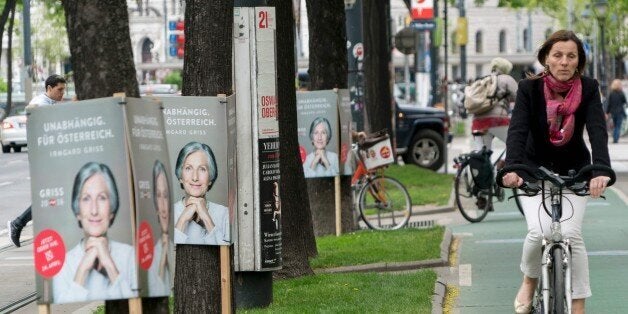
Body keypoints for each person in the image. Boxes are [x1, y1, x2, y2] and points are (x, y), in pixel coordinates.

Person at [501, 30, 612, 314]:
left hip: (575, 172)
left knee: (572, 236)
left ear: (579, 61)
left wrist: (600, 170)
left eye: (571, 56)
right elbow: (517, 130)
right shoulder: (529, 89)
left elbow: (598, 131)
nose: (564, 61)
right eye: (558, 55)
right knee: (539, 233)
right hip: (532, 170)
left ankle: (578, 306)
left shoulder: (588, 88)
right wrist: (512, 168)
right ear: (546, 59)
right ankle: (529, 280)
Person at [53, 162, 137, 303]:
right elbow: (62, 309)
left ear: (112, 209)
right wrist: (82, 271)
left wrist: (110, 265)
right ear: (77, 210)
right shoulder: (63, 264)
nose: (94, 210)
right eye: (86, 199)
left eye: (102, 198)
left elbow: (136, 306)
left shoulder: (130, 256)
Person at [7, 74, 67, 247]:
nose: (62, 93)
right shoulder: (40, 103)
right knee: (50, 197)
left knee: (53, 196)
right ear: (49, 88)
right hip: (43, 160)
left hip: (49, 158)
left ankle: (25, 225)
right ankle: (18, 223)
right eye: (59, 90)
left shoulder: (51, 103)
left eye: (64, 90)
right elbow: (31, 109)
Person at [174, 141, 230, 245]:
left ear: (210, 178)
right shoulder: (167, 214)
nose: (195, 177)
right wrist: (182, 220)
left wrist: (206, 218)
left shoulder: (224, 214)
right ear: (180, 177)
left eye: (202, 169)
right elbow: (164, 258)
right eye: (188, 168)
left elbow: (227, 257)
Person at [470, 57, 518, 169]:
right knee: (516, 143)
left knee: (483, 156)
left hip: (477, 122)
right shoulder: (507, 79)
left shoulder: (484, 80)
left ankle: (481, 183)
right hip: (497, 120)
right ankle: (502, 163)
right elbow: (520, 98)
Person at [147, 160, 173, 296]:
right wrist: (163, 257)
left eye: (166, 196)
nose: (163, 208)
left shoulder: (178, 246)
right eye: (158, 196)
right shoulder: (150, 252)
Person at [606, 79, 627, 143]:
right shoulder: (621, 93)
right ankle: (615, 139)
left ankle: (615, 138)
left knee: (615, 126)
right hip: (620, 112)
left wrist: (607, 112)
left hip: (613, 112)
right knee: (618, 126)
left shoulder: (611, 93)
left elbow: (609, 104)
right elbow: (625, 102)